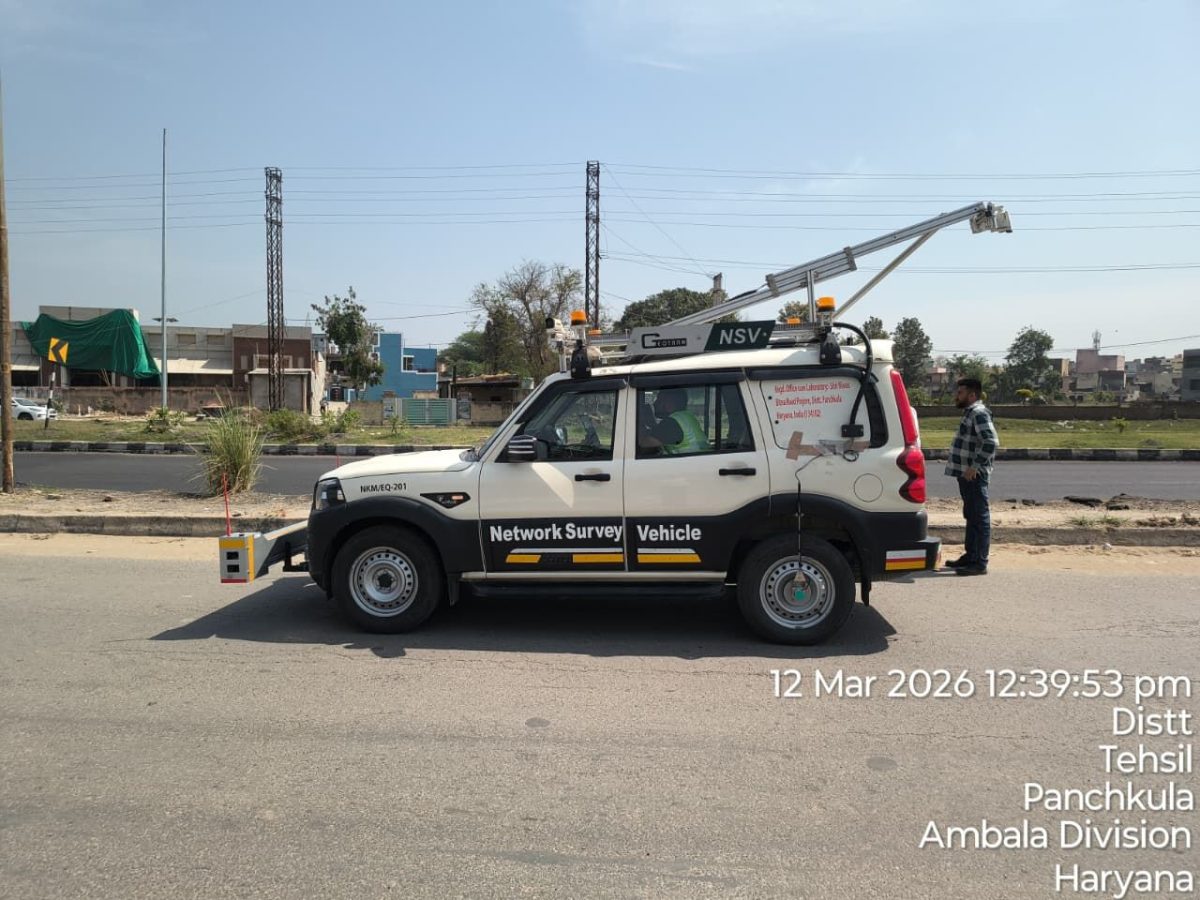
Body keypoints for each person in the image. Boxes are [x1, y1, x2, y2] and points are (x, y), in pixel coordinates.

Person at [944, 377, 998, 576]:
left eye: (960, 393)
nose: (956, 396)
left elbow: (991, 442)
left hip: (974, 475)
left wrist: (974, 466)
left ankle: (979, 562)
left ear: (972, 395)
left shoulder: (978, 413)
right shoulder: (971, 413)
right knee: (972, 516)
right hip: (967, 475)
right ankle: (971, 556)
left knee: (979, 518)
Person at [638, 388, 710, 455]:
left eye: (659, 400)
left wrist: (640, 421)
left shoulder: (671, 423)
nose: (654, 404)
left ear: (669, 403)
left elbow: (643, 443)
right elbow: (661, 433)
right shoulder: (685, 417)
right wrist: (651, 422)